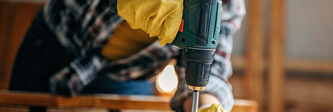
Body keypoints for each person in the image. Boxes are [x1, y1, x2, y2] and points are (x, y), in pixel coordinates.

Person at [9, 0, 245, 111]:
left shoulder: (226, 4)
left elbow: (210, 69)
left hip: (126, 77)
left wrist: (207, 106)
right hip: (55, 48)